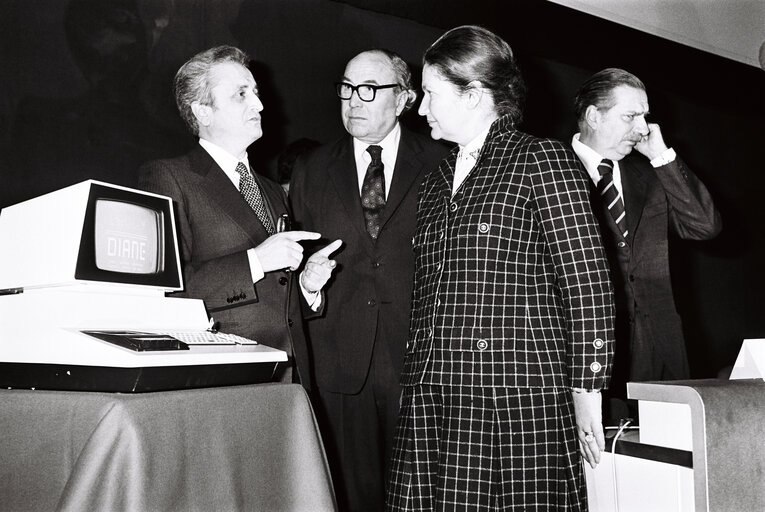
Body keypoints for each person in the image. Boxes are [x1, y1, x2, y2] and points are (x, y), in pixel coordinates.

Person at [385, 26, 615, 511]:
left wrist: (587, 388)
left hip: (513, 397)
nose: (420, 108)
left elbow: (588, 282)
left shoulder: (541, 160)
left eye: (430, 93)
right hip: (432, 396)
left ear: (473, 94)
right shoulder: (433, 182)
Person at [289, 49, 448, 511]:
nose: (352, 101)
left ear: (403, 100)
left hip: (420, 366)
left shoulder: (442, 163)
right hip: (339, 364)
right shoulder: (312, 168)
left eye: (368, 90)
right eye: (345, 88)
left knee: (423, 497)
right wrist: (308, 287)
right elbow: (296, 266)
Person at [138, 45, 341, 387]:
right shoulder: (168, 177)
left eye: (257, 93)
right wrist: (255, 261)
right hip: (226, 377)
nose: (259, 105)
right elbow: (166, 293)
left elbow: (278, 299)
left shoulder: (272, 190)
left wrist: (306, 287)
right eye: (241, 94)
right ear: (203, 111)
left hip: (290, 378)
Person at [571, 68, 722, 422]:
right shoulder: (550, 170)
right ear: (594, 115)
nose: (642, 128)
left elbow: (704, 226)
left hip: (659, 352)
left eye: (644, 116)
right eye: (631, 116)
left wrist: (661, 155)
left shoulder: (651, 174)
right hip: (585, 360)